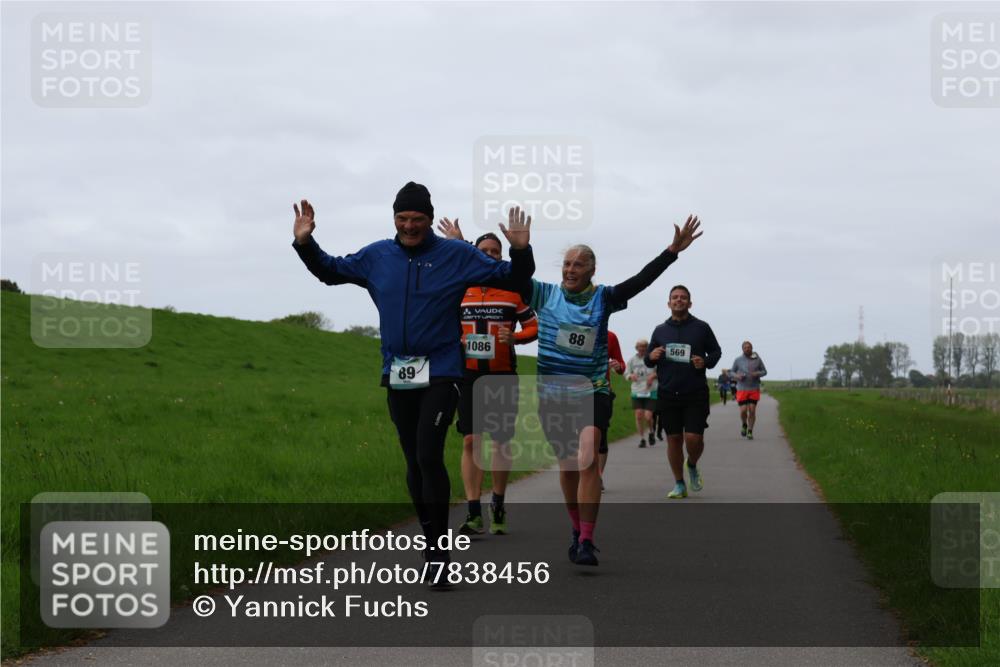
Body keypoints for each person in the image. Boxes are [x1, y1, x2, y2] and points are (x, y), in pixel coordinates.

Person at [291, 185, 534, 578]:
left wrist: (521, 250)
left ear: (428, 219)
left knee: (427, 454)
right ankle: (429, 538)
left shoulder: (455, 255)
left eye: (417, 220)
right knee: (412, 461)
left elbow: (513, 278)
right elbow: (330, 271)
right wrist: (305, 243)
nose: (410, 227)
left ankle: (439, 554)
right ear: (394, 220)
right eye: (402, 220)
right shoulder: (377, 256)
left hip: (442, 371)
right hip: (398, 372)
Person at [525, 215, 702, 566]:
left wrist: (671, 252)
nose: (570, 269)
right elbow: (511, 276)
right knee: (568, 467)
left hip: (593, 389)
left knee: (588, 456)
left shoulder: (604, 298)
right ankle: (576, 531)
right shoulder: (543, 294)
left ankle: (588, 541)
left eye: (578, 264)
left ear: (592, 270)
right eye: (566, 264)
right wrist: (517, 247)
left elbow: (640, 281)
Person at [436, 219, 539, 537]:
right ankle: (472, 510)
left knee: (499, 443)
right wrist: (458, 340)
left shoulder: (512, 291)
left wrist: (516, 338)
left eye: (496, 251)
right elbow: (443, 325)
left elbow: (533, 326)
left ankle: (498, 503)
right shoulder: (460, 290)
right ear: (475, 253)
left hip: (502, 375)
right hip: (467, 374)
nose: (491, 255)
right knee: (470, 440)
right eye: (485, 251)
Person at [645, 285, 722, 499]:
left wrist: (704, 362)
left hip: (695, 392)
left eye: (683, 298)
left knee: (693, 439)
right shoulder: (660, 330)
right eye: (675, 297)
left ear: (690, 303)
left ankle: (693, 463)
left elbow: (716, 352)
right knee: (674, 440)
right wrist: (652, 356)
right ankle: (679, 483)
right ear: (668, 303)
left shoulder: (701, 327)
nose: (679, 300)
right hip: (668, 393)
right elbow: (648, 359)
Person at [598, 330, 626, 489]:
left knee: (600, 437)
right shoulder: (570, 330)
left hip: (602, 391)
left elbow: (621, 365)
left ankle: (598, 477)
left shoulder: (610, 336)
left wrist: (618, 365)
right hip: (574, 391)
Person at [731, 341, 768, 440]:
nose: (747, 349)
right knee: (743, 411)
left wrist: (758, 373)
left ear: (752, 348)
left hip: (754, 388)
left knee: (752, 410)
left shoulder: (757, 359)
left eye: (749, 347)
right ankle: (744, 424)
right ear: (742, 349)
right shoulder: (738, 360)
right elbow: (731, 372)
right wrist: (737, 376)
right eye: (745, 347)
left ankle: (750, 431)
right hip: (742, 389)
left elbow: (765, 371)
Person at [626, 339, 658, 447]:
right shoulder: (632, 360)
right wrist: (631, 376)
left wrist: (652, 376)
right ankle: (642, 439)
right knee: (639, 415)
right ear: (637, 348)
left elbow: (660, 371)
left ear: (647, 348)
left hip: (651, 390)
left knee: (648, 416)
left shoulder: (652, 359)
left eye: (644, 347)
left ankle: (651, 432)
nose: (642, 349)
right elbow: (626, 373)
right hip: (637, 391)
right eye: (640, 347)